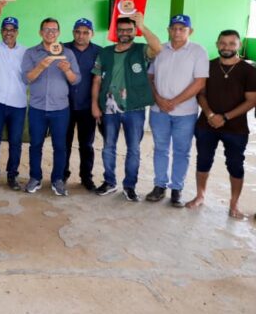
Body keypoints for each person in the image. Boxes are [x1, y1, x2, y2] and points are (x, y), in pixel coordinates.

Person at [185, 30, 256, 219]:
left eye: (232, 43)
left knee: (235, 164)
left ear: (239, 45)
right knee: (203, 160)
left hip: (236, 128)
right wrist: (209, 114)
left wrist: (224, 117)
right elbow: (201, 94)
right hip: (206, 124)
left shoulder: (249, 71)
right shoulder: (207, 67)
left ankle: (234, 204)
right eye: (223, 43)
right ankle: (200, 196)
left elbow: (251, 101)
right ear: (217, 44)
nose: (227, 47)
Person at [91, 13, 162, 201]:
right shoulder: (105, 52)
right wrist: (94, 105)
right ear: (115, 31)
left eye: (129, 30)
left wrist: (143, 26)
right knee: (108, 147)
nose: (124, 33)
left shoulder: (141, 50)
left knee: (134, 149)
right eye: (120, 30)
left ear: (134, 31)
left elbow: (158, 47)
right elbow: (97, 80)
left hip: (134, 109)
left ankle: (129, 186)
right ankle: (109, 182)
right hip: (108, 109)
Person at [146, 14, 208, 207]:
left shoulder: (198, 52)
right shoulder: (159, 50)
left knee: (182, 151)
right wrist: (158, 99)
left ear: (190, 31)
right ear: (168, 30)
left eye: (182, 28)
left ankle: (176, 189)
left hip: (185, 114)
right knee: (160, 149)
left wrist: (173, 102)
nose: (177, 32)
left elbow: (199, 83)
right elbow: (150, 77)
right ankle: (159, 185)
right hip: (158, 111)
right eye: (174, 28)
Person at [21, 18, 81, 196]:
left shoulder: (68, 53)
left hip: (60, 109)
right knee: (35, 145)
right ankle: (35, 178)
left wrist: (67, 70)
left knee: (60, 146)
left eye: (54, 30)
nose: (50, 33)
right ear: (40, 32)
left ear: (59, 33)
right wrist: (41, 65)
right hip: (37, 108)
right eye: (46, 29)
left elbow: (76, 80)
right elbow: (26, 78)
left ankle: (57, 180)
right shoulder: (31, 53)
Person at [0, 4, 27, 191]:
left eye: (12, 30)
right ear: (1, 31)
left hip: (18, 104)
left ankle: (12, 176)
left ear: (17, 32)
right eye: (5, 29)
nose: (9, 33)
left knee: (15, 142)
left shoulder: (26, 52)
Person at [62, 18, 101, 191]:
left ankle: (86, 177)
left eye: (86, 32)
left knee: (86, 145)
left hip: (88, 106)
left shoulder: (99, 52)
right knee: (64, 143)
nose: (81, 35)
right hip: (65, 105)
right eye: (78, 31)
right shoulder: (63, 49)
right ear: (73, 32)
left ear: (92, 34)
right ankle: (62, 174)